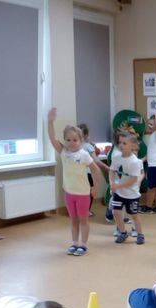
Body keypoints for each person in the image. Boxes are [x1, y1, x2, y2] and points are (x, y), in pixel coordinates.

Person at [47, 107, 101, 256]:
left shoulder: (84, 155)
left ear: (81, 140)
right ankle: (75, 243)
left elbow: (96, 170)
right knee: (73, 220)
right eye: (68, 140)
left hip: (83, 194)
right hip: (69, 193)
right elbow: (52, 138)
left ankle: (83, 245)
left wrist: (95, 188)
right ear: (65, 140)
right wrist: (50, 122)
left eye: (75, 140)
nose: (71, 143)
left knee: (83, 220)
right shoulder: (64, 152)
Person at [109, 130, 145, 245]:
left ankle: (140, 234)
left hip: (131, 195)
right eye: (120, 142)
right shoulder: (116, 157)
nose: (121, 145)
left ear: (132, 145)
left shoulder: (135, 162)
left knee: (134, 215)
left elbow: (133, 180)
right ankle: (123, 232)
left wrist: (118, 185)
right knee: (116, 212)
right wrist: (111, 183)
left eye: (124, 143)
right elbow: (111, 170)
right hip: (119, 193)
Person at [77, 123, 110, 216]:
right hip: (86, 174)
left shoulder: (75, 146)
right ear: (87, 135)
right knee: (91, 192)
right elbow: (95, 160)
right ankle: (86, 211)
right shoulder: (88, 146)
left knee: (79, 192)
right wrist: (105, 166)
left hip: (77, 174)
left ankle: (78, 210)